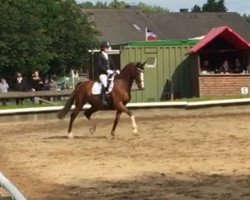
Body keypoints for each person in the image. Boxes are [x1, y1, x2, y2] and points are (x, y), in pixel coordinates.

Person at [96, 41, 119, 105]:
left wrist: (116, 70)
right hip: (102, 74)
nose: (108, 48)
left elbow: (113, 65)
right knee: (105, 83)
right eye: (107, 47)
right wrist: (106, 71)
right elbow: (99, 66)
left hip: (109, 73)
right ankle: (103, 99)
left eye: (108, 47)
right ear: (103, 48)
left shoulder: (109, 56)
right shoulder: (99, 56)